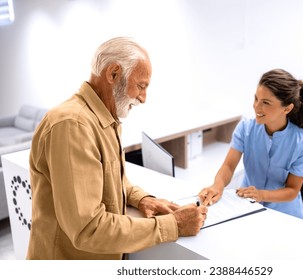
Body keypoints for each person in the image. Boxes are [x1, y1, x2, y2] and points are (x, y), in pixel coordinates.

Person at [27, 37, 207, 260]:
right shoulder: (73, 125)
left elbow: (109, 180)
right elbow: (88, 229)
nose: (143, 98)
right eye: (141, 86)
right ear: (113, 74)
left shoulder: (101, 119)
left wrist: (141, 198)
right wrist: (174, 225)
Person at [199, 69, 303, 219]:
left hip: (285, 214)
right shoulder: (246, 128)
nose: (256, 107)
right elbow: (229, 165)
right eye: (256, 99)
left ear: (287, 108)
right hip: (247, 205)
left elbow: (292, 190)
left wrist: (261, 194)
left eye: (265, 102)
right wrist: (217, 185)